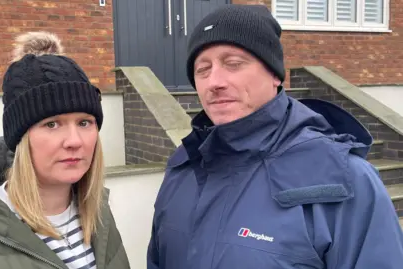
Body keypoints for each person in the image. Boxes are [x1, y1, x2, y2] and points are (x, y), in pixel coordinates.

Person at [147, 4, 403, 269]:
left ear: (274, 74)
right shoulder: (182, 170)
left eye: (233, 64)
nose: (214, 82)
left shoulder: (344, 179)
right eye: (202, 69)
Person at [0, 31, 130, 269]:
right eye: (51, 124)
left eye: (84, 122)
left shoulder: (100, 215)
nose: (74, 141)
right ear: (19, 138)